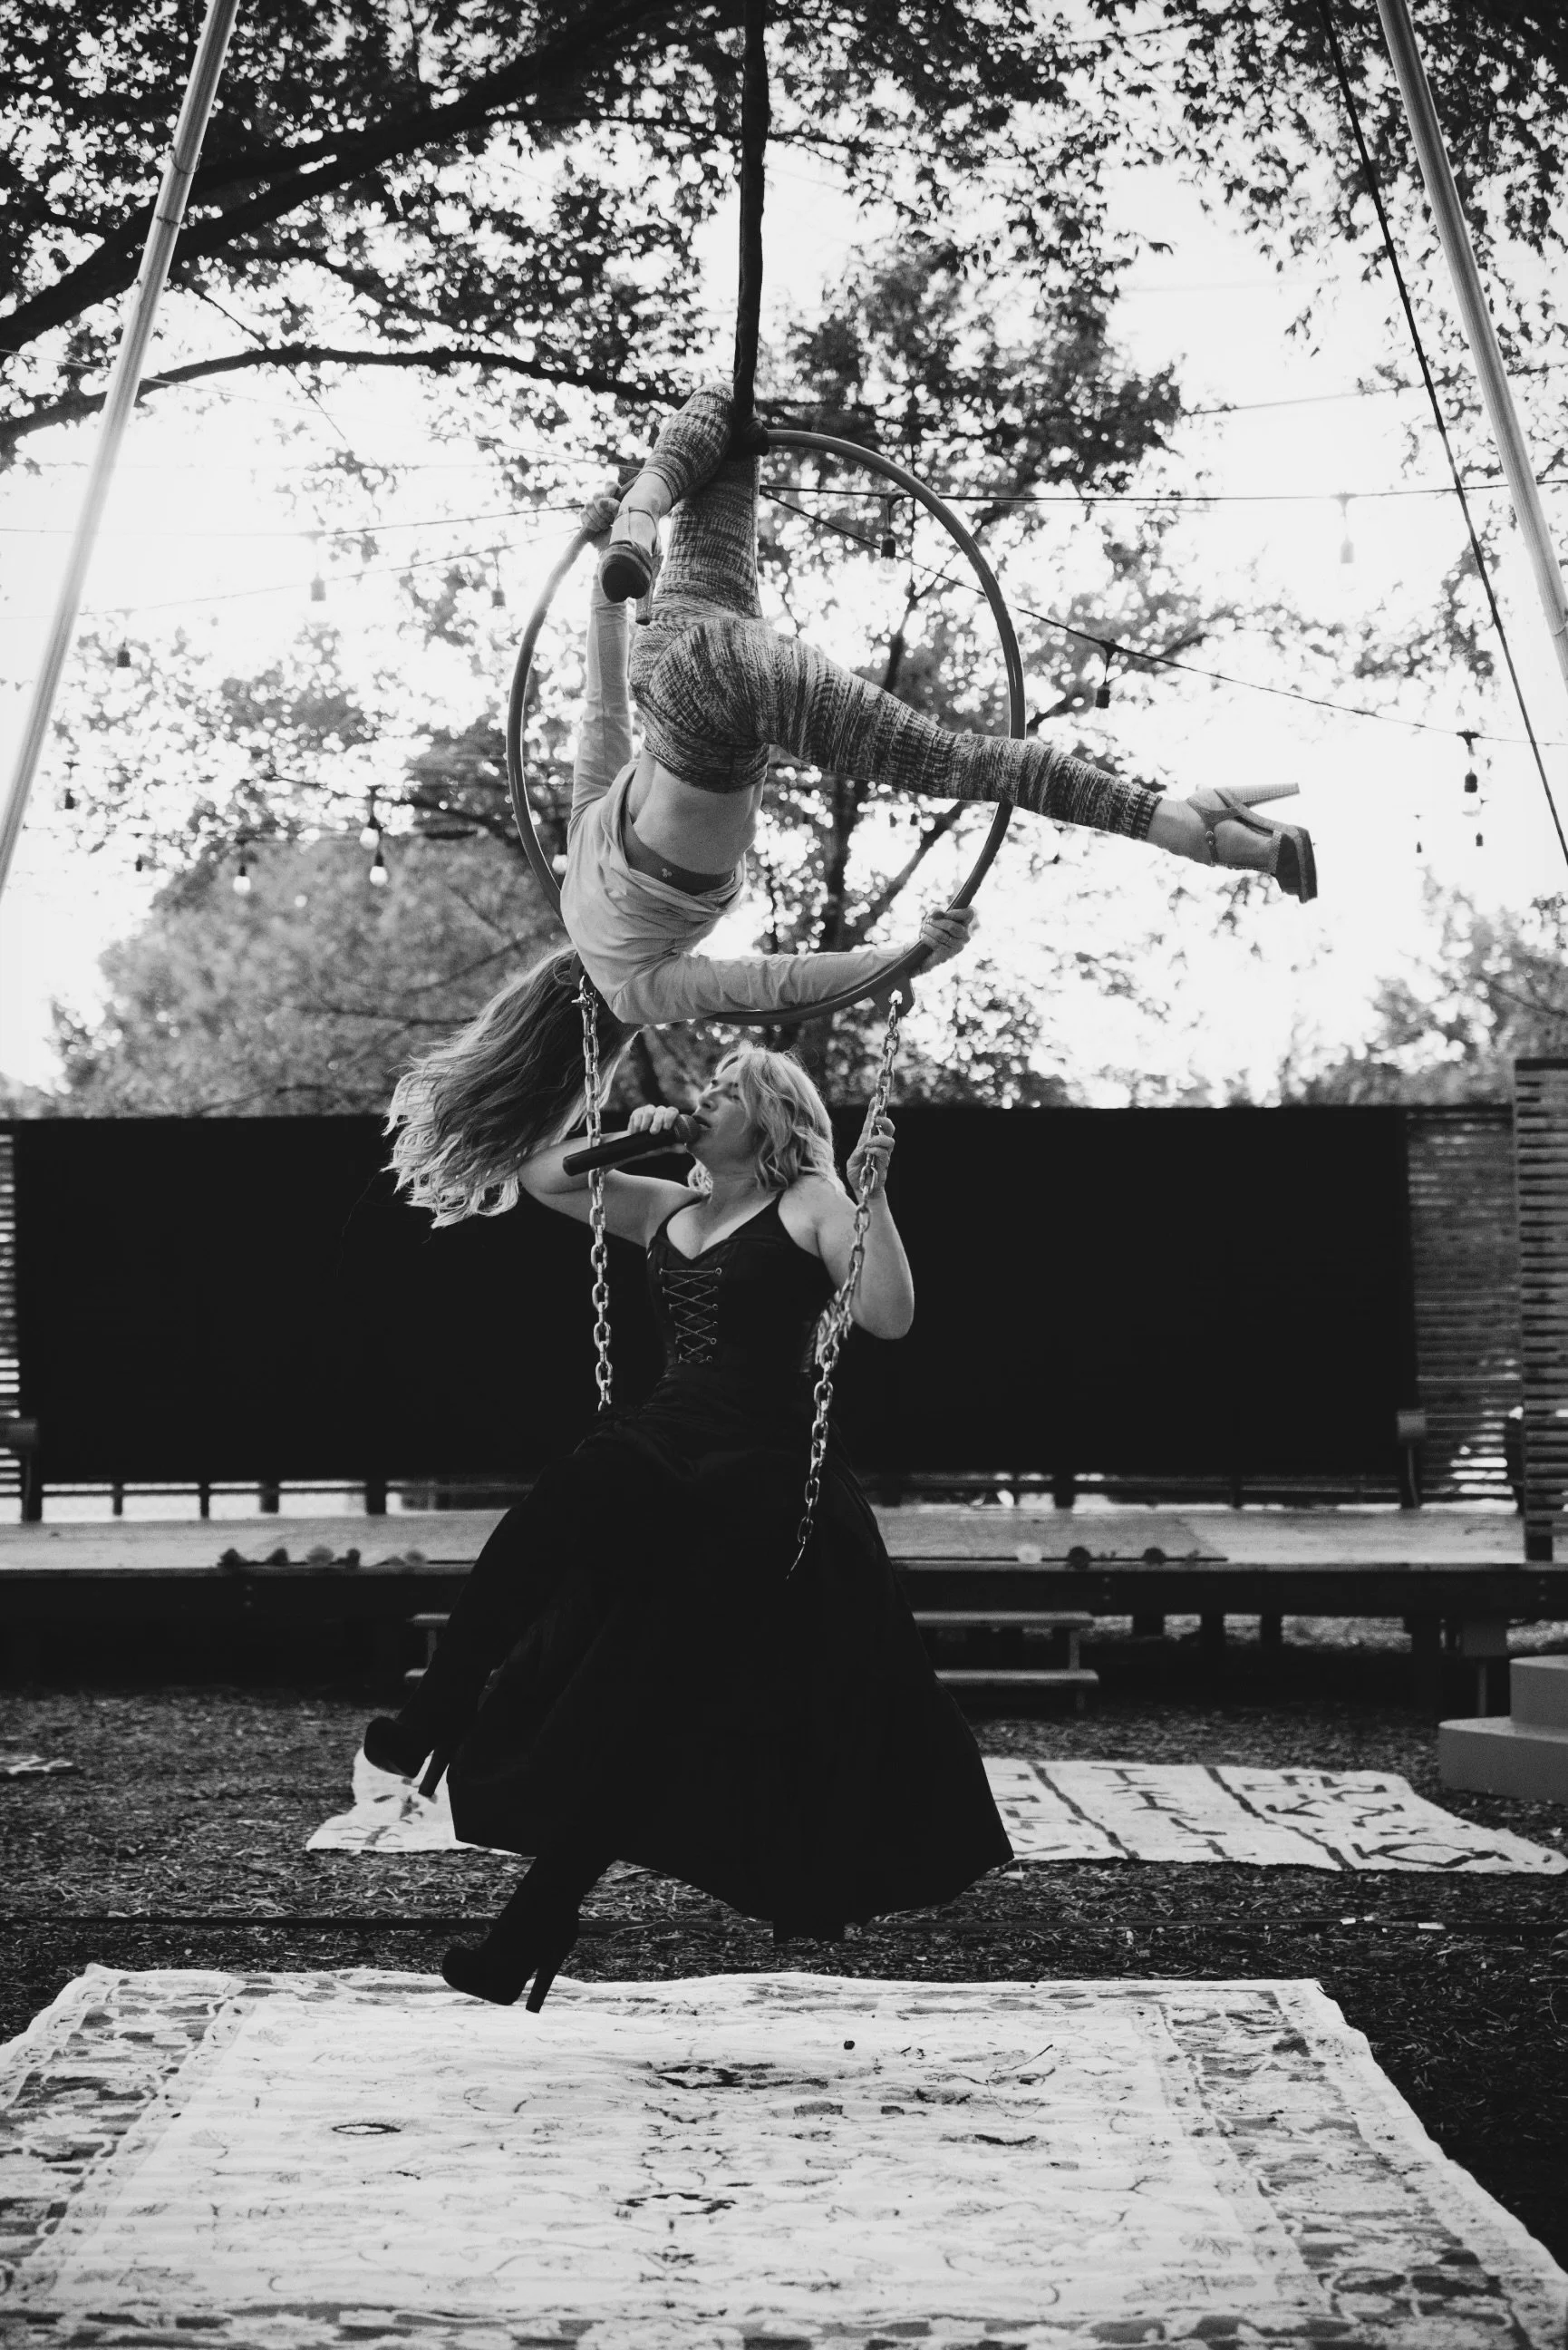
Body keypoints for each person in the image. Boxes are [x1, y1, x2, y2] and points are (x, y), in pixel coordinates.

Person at [367, 1045, 1013, 2009]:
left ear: (768, 1117)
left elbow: (887, 1317)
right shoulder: (666, 1204)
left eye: (722, 1092)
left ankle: (526, 1930)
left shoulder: (806, 1205)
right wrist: (633, 1130)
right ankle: (440, 1709)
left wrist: (867, 1195)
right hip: (662, 1441)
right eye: (700, 1089)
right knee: (558, 1508)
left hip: (756, 1471)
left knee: (651, 1704)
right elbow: (544, 1173)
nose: (700, 1099)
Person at [566, 380, 1316, 1027]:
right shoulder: (575, 865)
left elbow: (771, 985)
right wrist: (607, 579)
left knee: (966, 762)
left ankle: (1191, 827)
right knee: (725, 411)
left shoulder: (629, 992)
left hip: (721, 699)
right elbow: (603, 716)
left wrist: (906, 958)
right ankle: (643, 506)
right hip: (664, 646)